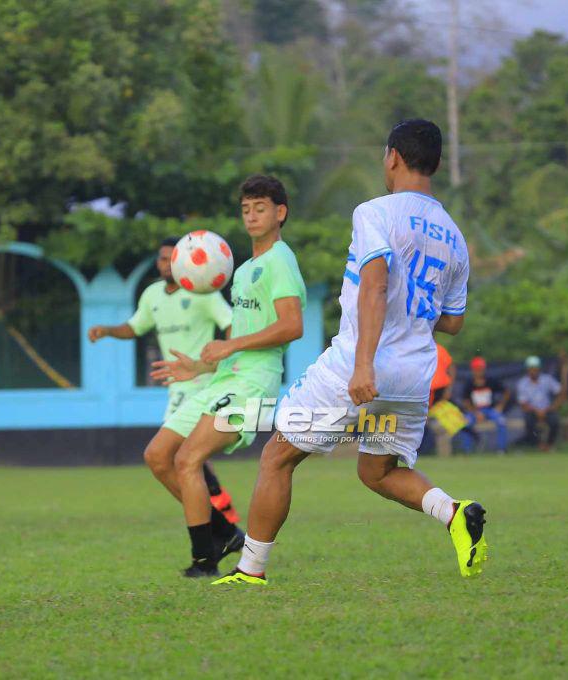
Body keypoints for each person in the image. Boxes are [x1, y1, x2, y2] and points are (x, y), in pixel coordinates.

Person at [213, 119, 487, 586]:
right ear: (437, 164)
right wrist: (412, 311)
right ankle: (454, 512)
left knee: (276, 456)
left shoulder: (374, 212)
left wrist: (363, 365)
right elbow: (454, 321)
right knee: (377, 471)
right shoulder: (453, 234)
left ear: (392, 158)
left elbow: (375, 285)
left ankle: (250, 571)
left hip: (363, 364)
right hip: (414, 373)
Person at [149, 175, 306, 577]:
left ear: (280, 213)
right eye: (246, 209)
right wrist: (200, 366)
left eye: (261, 208)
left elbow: (292, 326)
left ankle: (204, 561)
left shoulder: (280, 261)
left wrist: (230, 347)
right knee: (159, 456)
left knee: (188, 459)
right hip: (226, 378)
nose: (252, 216)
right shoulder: (243, 270)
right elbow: (237, 335)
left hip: (255, 383)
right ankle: (224, 533)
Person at [87, 237, 241, 525]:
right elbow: (134, 327)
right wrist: (107, 330)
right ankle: (223, 515)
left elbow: (229, 321)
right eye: (161, 258)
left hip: (202, 383)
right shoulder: (152, 295)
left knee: (173, 456)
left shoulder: (203, 291)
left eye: (172, 258)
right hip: (176, 386)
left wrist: (222, 354)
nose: (165, 263)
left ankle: (218, 522)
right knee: (186, 458)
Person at [460, 357, 510, 453]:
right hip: (475, 412)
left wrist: (500, 406)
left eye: (481, 368)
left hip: (490, 410)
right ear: (473, 370)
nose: (479, 371)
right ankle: (467, 451)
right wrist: (475, 413)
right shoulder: (469, 383)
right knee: (464, 423)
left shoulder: (491, 381)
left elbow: (506, 392)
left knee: (501, 421)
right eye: (477, 369)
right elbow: (465, 401)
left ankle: (501, 449)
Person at [517, 356, 564, 451]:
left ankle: (549, 444)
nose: (533, 371)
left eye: (535, 369)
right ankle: (539, 445)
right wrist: (536, 411)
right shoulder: (522, 383)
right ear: (527, 370)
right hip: (531, 410)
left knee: (554, 421)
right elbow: (523, 403)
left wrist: (553, 407)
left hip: (547, 409)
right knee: (529, 422)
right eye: (531, 369)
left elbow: (561, 393)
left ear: (539, 369)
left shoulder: (547, 379)